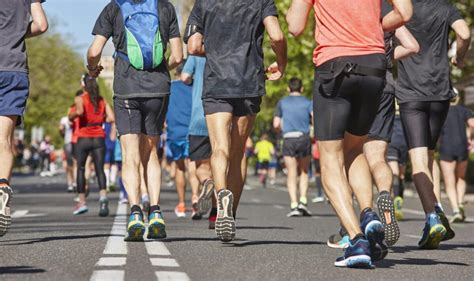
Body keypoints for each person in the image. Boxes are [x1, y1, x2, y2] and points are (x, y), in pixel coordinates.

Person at [287, 0, 412, 268]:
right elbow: (405, 12)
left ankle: (357, 240)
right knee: (355, 148)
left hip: (335, 67)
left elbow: (295, 27)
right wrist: (372, 27)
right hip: (374, 67)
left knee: (331, 157)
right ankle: (368, 213)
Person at [186, 0, 287, 242]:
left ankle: (221, 200)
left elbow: (193, 45)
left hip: (217, 82)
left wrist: (218, 50)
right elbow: (277, 35)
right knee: (237, 152)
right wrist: (281, 62)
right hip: (248, 81)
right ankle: (230, 212)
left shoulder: (204, 3)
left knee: (219, 148)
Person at [88, 0, 183, 241]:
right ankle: (156, 212)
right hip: (158, 89)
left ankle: (135, 213)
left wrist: (92, 69)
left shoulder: (113, 7)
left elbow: (94, 51)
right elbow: (178, 55)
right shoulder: (165, 7)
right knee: (152, 152)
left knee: (130, 155)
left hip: (127, 89)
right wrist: (161, 66)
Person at [396, 0, 470, 249]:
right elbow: (464, 33)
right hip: (440, 92)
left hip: (411, 93)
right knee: (430, 154)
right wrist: (459, 57)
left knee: (417, 159)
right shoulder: (445, 7)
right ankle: (436, 208)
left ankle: (432, 215)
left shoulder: (401, 8)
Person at [363, 1, 420, 246]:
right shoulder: (386, 8)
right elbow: (412, 46)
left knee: (351, 157)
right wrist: (385, 57)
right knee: (378, 157)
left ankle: (359, 222)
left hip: (353, 78)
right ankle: (385, 194)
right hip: (385, 84)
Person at [0, 0, 48, 236]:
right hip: (14, 70)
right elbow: (41, 25)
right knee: (4, 139)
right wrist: (17, 33)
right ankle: (2, 185)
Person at [68, 75, 115, 216]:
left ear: (84, 86)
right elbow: (112, 118)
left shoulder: (80, 98)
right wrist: (100, 118)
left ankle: (82, 202)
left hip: (83, 137)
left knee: (81, 169)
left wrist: (72, 115)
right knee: (100, 169)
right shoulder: (102, 100)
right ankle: (103, 197)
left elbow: (80, 112)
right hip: (99, 137)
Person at [181, 55, 217, 229]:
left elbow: (184, 77)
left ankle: (205, 182)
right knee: (217, 165)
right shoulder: (221, 47)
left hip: (198, 117)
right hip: (220, 116)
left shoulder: (196, 54)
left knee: (199, 167)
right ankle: (215, 215)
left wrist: (194, 79)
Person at [273, 77, 313, 217]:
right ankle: (303, 201)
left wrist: (281, 132)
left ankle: (294, 204)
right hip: (304, 138)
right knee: (304, 171)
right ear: (301, 89)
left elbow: (276, 124)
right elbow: (314, 119)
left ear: (288, 88)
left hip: (289, 138)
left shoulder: (282, 103)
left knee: (291, 172)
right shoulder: (308, 103)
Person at [165, 62, 200, 219]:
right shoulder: (197, 87)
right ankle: (195, 197)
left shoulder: (170, 87)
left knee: (180, 168)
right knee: (194, 167)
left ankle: (181, 204)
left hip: (175, 132)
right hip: (194, 130)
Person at [439, 97, 474, 223]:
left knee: (449, 181)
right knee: (461, 178)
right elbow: (472, 124)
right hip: (462, 146)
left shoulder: (441, 110)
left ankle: (456, 210)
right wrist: (471, 138)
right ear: (458, 98)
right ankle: (460, 204)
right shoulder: (465, 110)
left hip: (446, 146)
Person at [387, 110, 409, 221]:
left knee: (394, 173)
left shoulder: (387, 103)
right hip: (405, 142)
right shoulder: (406, 104)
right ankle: (399, 202)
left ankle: (396, 199)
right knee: (401, 175)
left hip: (392, 141)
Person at [60, 114, 75, 192]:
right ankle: (74, 183)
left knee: (70, 165)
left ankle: (70, 184)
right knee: (76, 164)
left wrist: (64, 134)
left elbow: (61, 129)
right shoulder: (80, 116)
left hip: (68, 142)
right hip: (76, 142)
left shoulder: (64, 119)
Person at [104, 122, 118, 191]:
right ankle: (111, 182)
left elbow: (113, 121)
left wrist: (113, 132)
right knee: (112, 161)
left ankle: (107, 184)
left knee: (107, 162)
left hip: (107, 139)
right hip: (108, 138)